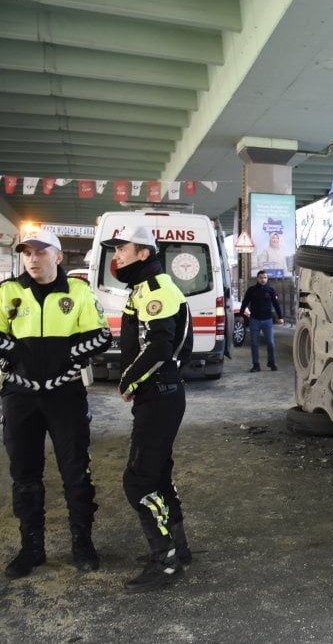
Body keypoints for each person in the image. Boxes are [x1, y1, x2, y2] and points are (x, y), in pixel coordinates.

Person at [0, 230, 111, 578]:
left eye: (40, 252)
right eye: (26, 253)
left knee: (76, 472)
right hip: (20, 397)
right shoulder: (8, 291)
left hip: (65, 396)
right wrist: (14, 351)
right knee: (24, 474)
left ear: (58, 257)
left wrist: (67, 354)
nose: (32, 259)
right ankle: (32, 548)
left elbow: (101, 336)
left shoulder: (77, 292)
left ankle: (83, 544)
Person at [102, 225, 193, 592]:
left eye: (122, 249)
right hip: (157, 395)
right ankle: (179, 549)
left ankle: (165, 561)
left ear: (143, 253)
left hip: (159, 396)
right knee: (156, 475)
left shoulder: (157, 288)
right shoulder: (143, 288)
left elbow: (161, 347)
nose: (116, 256)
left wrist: (128, 381)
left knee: (138, 480)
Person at [239, 270, 284, 372]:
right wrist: (241, 315)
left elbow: (276, 304)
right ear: (257, 278)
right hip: (254, 320)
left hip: (267, 321)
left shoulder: (271, 290)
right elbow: (245, 302)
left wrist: (280, 317)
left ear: (267, 279)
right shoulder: (251, 290)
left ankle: (271, 362)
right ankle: (256, 365)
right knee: (254, 343)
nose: (263, 280)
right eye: (261, 278)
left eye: (265, 278)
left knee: (270, 342)